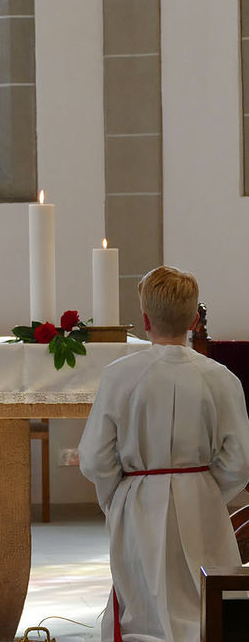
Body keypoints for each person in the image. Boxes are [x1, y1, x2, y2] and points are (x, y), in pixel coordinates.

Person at [79, 265, 249, 641]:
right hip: (203, 502)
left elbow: (94, 458)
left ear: (144, 319)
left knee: (143, 606)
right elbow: (240, 461)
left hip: (138, 499)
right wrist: (203, 490)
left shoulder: (119, 375)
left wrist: (119, 497)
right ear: (193, 319)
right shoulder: (221, 377)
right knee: (200, 605)